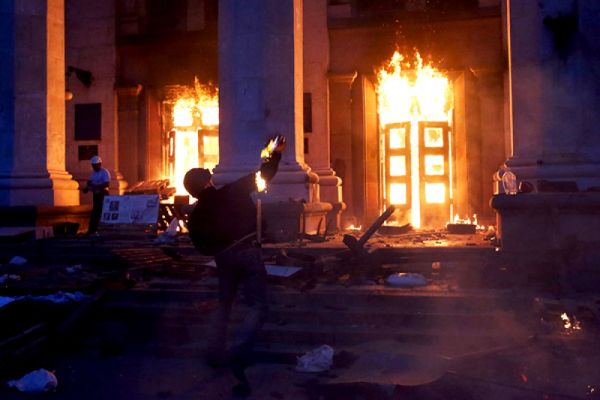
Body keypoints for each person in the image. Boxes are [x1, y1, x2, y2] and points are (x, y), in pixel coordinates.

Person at [184, 135, 286, 397]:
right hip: (248, 253)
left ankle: (215, 351)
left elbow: (201, 247)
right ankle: (238, 352)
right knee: (256, 305)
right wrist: (274, 153)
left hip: (223, 259)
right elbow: (265, 174)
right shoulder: (232, 191)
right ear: (208, 182)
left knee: (225, 304)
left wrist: (220, 248)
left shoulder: (195, 216)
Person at [82, 155, 110, 235]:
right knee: (95, 212)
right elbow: (89, 182)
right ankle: (92, 230)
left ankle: (102, 230)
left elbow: (107, 184)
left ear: (100, 164)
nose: (94, 167)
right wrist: (87, 188)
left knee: (102, 212)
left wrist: (96, 187)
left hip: (103, 194)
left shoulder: (104, 172)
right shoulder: (93, 174)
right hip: (96, 195)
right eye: (93, 165)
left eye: (95, 165)